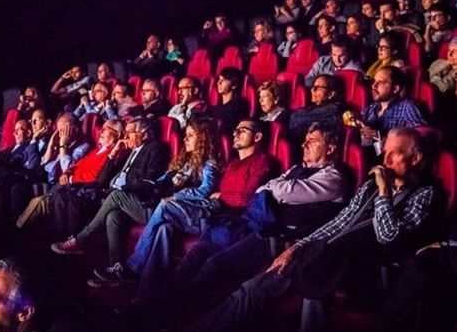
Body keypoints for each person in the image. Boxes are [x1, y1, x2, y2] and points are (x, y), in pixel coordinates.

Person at [180, 127, 438, 332]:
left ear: (416, 159)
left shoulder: (424, 193)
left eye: (396, 154)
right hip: (326, 252)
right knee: (253, 288)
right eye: (386, 153)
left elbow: (388, 235)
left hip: (364, 266)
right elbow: (339, 222)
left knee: (313, 269)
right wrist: (297, 247)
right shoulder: (371, 186)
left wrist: (384, 192)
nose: (386, 161)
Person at [170, 122, 348, 311]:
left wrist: (271, 191)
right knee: (200, 250)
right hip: (256, 224)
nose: (304, 145)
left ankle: (180, 310)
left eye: (312, 141)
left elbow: (282, 190)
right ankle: (166, 299)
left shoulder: (332, 178)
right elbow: (268, 188)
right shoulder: (297, 168)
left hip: (277, 239)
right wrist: (271, 191)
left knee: (216, 264)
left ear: (330, 148)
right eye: (304, 140)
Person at [125, 119, 278, 304]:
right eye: (235, 130)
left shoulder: (263, 162)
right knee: (164, 228)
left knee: (166, 207)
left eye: (242, 130)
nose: (235, 133)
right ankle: (143, 296)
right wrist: (221, 195)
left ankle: (134, 268)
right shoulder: (233, 163)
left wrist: (221, 196)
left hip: (225, 219)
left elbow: (246, 197)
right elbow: (222, 193)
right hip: (214, 213)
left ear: (258, 136)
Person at [86, 117, 223, 289]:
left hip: (177, 209)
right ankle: (117, 269)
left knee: (121, 197)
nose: (185, 139)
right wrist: (149, 186)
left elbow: (205, 191)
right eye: (185, 135)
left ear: (202, 139)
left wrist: (178, 195)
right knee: (114, 215)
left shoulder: (209, 164)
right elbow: (160, 181)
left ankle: (129, 265)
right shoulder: (186, 162)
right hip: (161, 204)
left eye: (190, 135)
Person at [50, 118, 168, 262]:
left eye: (130, 132)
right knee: (113, 216)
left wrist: (123, 188)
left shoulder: (154, 148)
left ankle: (80, 240)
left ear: (144, 134)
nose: (125, 137)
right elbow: (101, 181)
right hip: (114, 195)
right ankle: (115, 265)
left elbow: (149, 180)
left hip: (138, 200)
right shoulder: (128, 150)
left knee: (115, 195)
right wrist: (112, 155)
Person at [357, 66, 426, 153]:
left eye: (380, 82)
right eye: (374, 81)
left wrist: (383, 138)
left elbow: (421, 136)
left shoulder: (407, 106)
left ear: (395, 89)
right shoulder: (371, 109)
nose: (374, 85)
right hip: (371, 158)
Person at [289, 74, 343, 142]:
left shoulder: (333, 109)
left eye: (318, 87)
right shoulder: (314, 107)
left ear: (331, 94)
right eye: (313, 86)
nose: (313, 90)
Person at [208, 67, 250, 135]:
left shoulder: (240, 104)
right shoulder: (216, 107)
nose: (219, 82)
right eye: (219, 79)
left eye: (223, 80)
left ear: (234, 85)